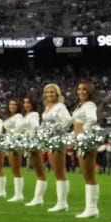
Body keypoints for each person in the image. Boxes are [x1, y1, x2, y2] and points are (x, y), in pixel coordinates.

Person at [39, 83, 73, 212]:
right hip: (50, 141)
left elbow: (68, 121)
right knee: (56, 171)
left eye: (52, 92)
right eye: (47, 92)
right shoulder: (48, 107)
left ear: (57, 94)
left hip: (57, 141)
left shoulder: (60, 106)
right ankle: (61, 202)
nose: (49, 94)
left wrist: (56, 133)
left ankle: (62, 202)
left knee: (60, 172)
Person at [72, 80, 102, 219]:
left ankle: (92, 208)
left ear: (89, 92)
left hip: (86, 141)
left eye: (84, 89)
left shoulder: (89, 104)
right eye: (79, 89)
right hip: (80, 141)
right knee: (86, 174)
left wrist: (83, 133)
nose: (81, 92)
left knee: (89, 174)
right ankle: (90, 207)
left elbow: (92, 119)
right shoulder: (80, 105)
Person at [20, 96, 47, 207]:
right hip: (29, 143)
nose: (26, 104)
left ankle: (38, 198)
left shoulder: (34, 114)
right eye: (25, 102)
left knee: (40, 171)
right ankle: (37, 198)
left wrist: (26, 132)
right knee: (37, 171)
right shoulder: (26, 115)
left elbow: (35, 127)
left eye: (29, 102)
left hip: (33, 143)